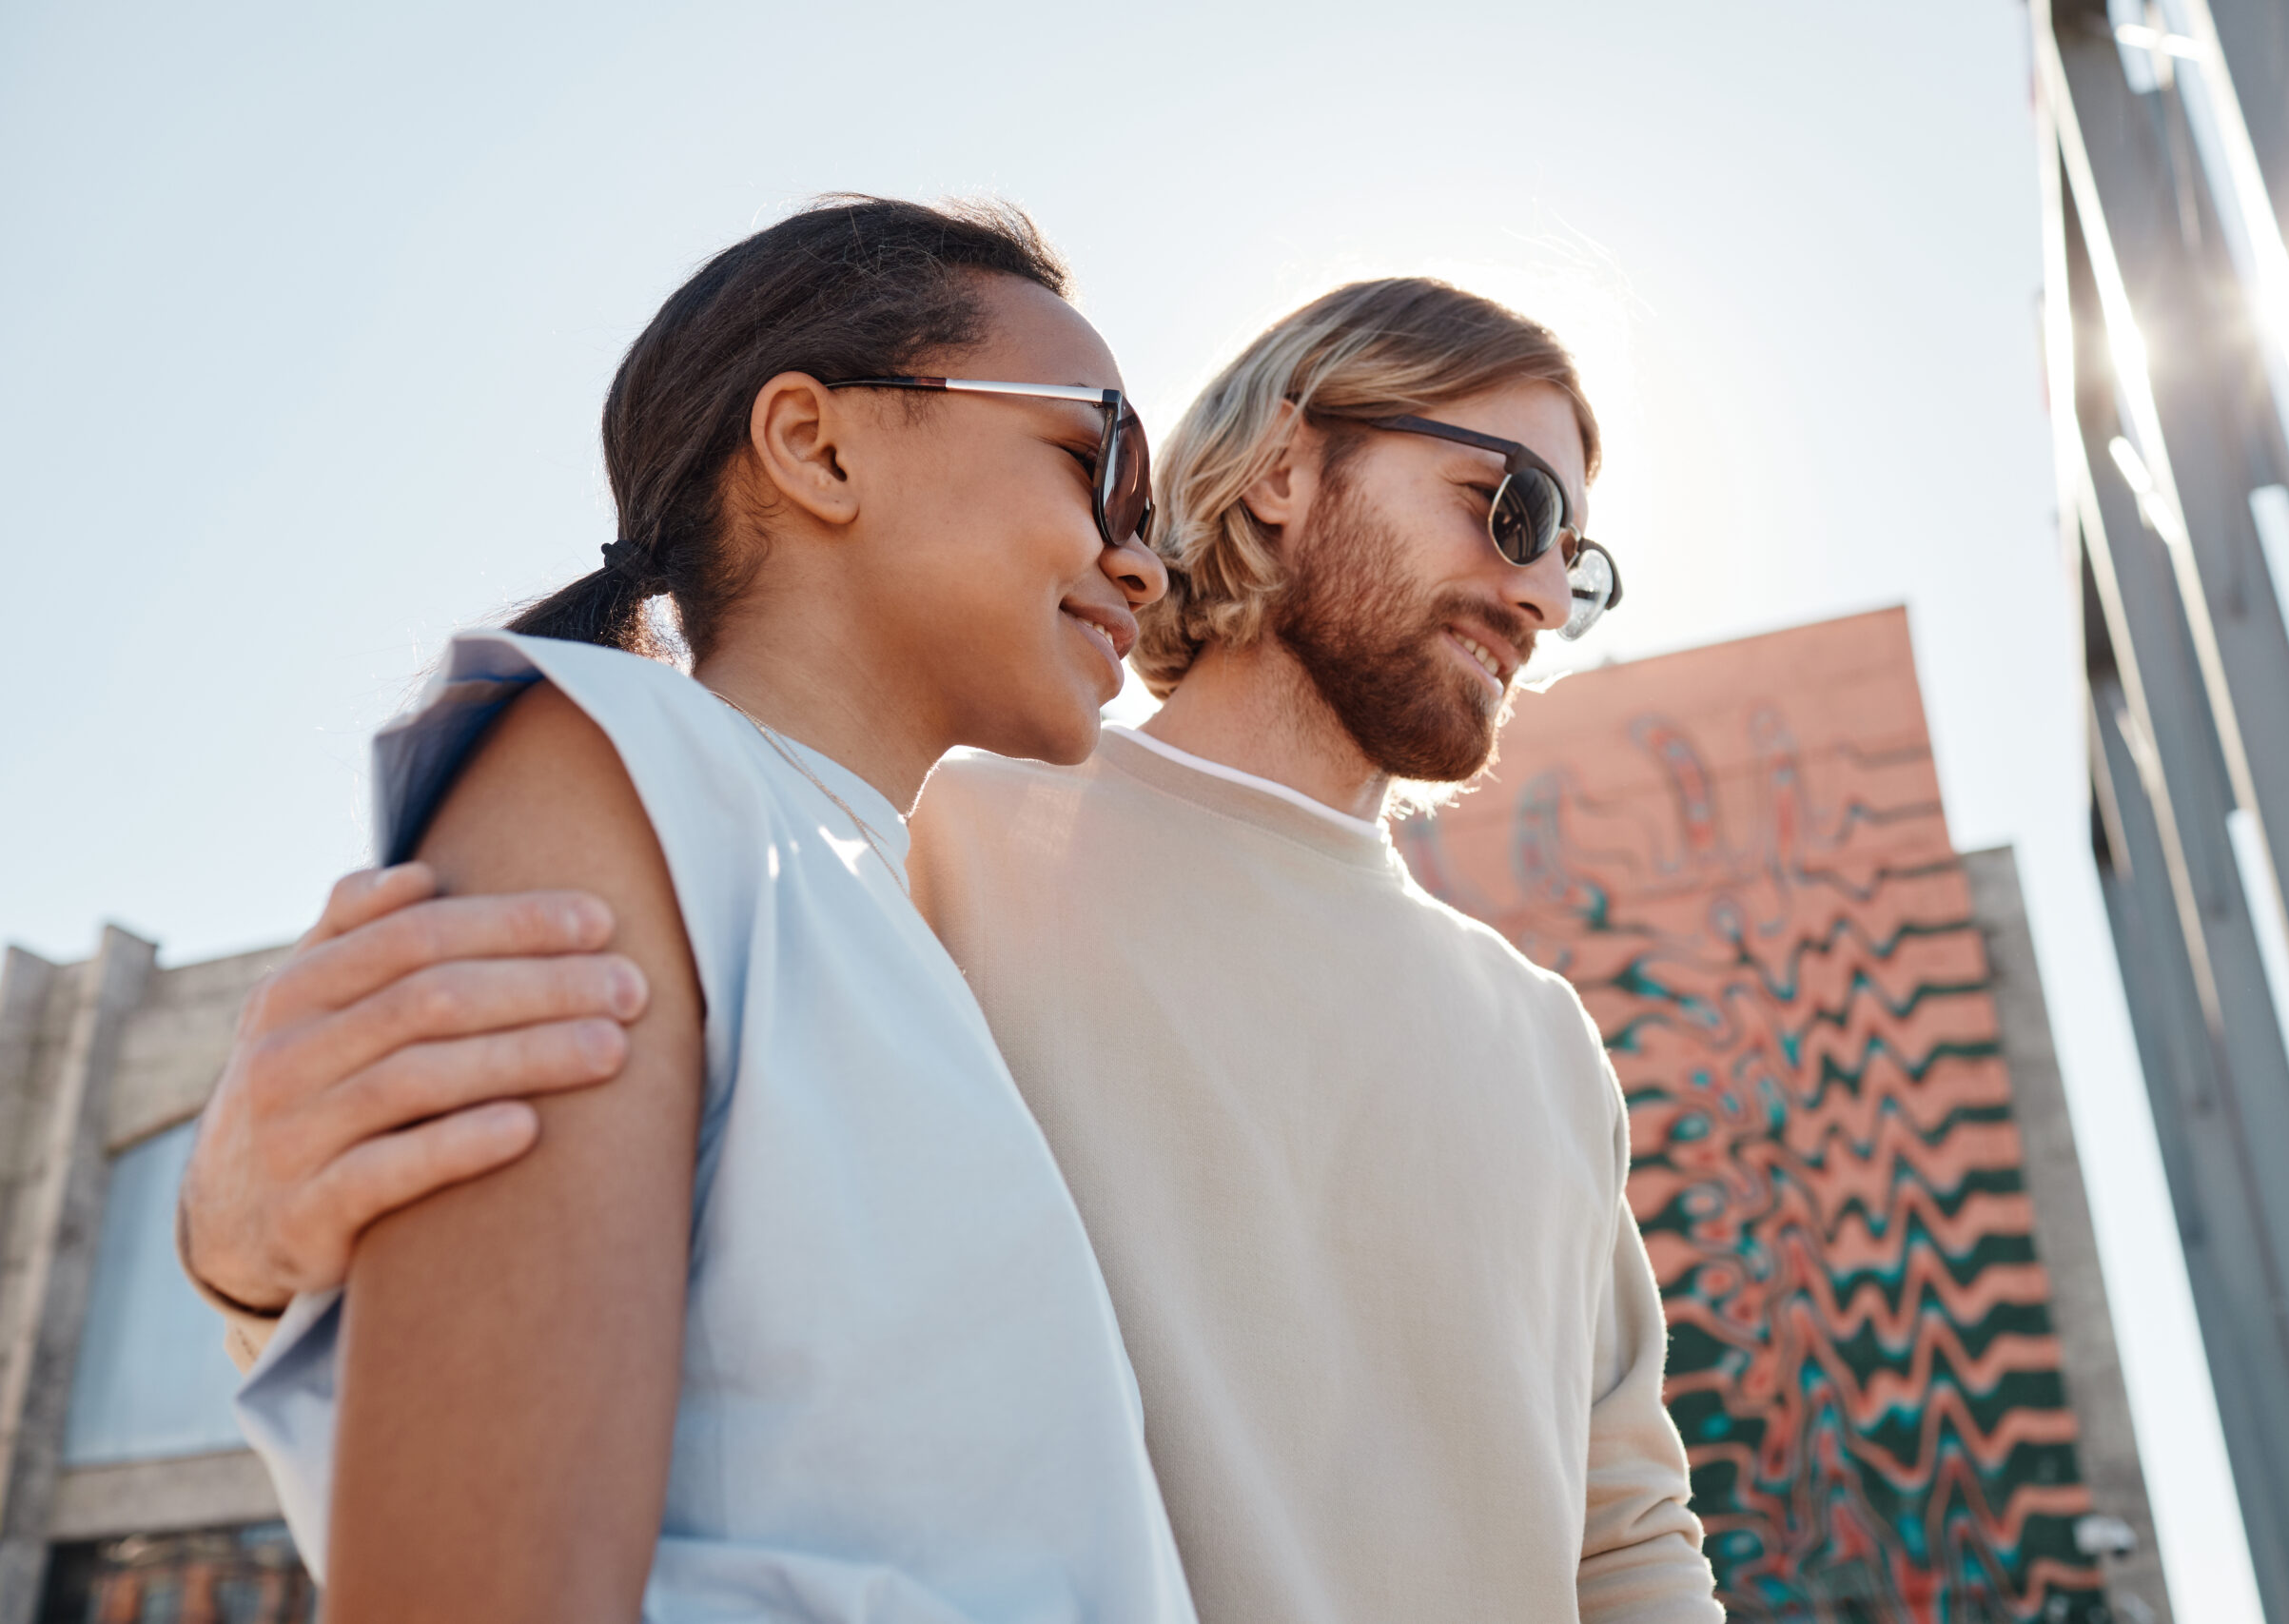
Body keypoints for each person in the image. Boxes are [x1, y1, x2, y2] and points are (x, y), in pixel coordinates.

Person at [186, 276, 1726, 1623]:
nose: (1538, 594)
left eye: (1575, 565)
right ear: (1277, 470)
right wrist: (252, 1253)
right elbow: (577, 1302)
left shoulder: (1544, 1038)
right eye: (1511, 507)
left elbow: (1630, 1540)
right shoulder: (922, 838)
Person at [210, 193, 1199, 1624]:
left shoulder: (856, 898)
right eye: (1094, 460)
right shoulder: (608, 767)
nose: (1139, 560)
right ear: (816, 444)